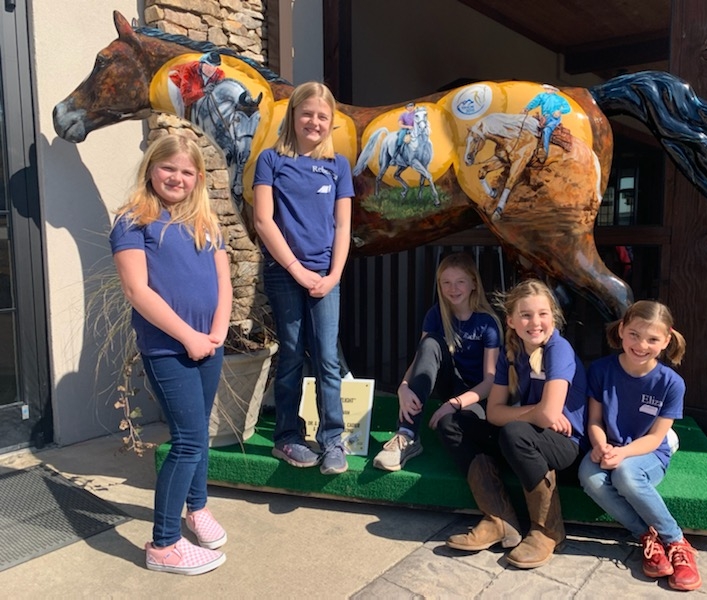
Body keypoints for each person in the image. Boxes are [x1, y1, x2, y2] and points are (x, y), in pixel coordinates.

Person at [110, 134, 232, 575]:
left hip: (209, 345)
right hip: (167, 349)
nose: (177, 177)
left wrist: (217, 332)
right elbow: (136, 290)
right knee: (188, 441)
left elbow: (223, 284)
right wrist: (189, 337)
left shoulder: (206, 222)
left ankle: (196, 508)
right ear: (151, 169)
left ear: (198, 177)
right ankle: (163, 544)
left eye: (186, 171)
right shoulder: (133, 221)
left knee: (198, 432)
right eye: (169, 168)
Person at [444, 279, 588, 569]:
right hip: (522, 440)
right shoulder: (510, 354)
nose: (535, 322)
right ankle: (499, 519)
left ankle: (548, 529)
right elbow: (495, 412)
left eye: (542, 314)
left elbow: (547, 418)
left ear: (553, 317)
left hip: (565, 448)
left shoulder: (558, 349)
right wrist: (536, 409)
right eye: (525, 315)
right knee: (453, 422)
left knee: (515, 431)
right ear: (510, 320)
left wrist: (535, 413)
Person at [252, 81, 354, 475]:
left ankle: (333, 441)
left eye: (322, 116)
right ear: (293, 116)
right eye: (307, 113)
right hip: (284, 275)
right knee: (292, 356)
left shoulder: (338, 166)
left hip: (327, 278)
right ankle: (287, 438)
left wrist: (333, 276)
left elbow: (343, 226)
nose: (314, 121)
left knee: (328, 358)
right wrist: (296, 269)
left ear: (331, 123)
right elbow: (263, 220)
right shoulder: (271, 160)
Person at [578, 300, 701, 591]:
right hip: (609, 446)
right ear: (621, 330)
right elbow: (594, 420)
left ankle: (675, 541)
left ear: (666, 341)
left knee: (626, 474)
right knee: (589, 477)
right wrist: (599, 445)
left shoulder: (671, 383)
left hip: (647, 453)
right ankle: (647, 537)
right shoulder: (600, 370)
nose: (641, 344)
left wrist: (620, 454)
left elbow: (657, 438)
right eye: (634, 334)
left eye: (652, 339)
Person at [373, 252, 502, 472]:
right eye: (447, 283)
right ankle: (406, 434)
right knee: (431, 342)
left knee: (453, 428)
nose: (454, 289)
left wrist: (455, 404)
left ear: (473, 283)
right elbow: (422, 356)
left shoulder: (487, 323)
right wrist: (403, 387)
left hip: (477, 398)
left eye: (460, 282)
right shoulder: (435, 315)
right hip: (450, 387)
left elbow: (491, 381)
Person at [168, 51, 226, 121]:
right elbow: (186, 98)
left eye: (215, 66)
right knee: (181, 111)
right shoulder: (189, 69)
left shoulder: (220, 74)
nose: (211, 69)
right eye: (208, 65)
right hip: (176, 83)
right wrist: (203, 91)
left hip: (198, 87)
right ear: (201, 64)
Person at [520, 84, 571, 162]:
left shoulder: (560, 99)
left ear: (554, 90)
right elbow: (534, 102)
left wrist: (560, 111)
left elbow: (567, 108)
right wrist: (527, 108)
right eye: (547, 89)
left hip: (553, 118)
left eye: (550, 89)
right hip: (544, 117)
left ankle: (544, 152)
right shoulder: (541, 96)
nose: (548, 90)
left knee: (546, 130)